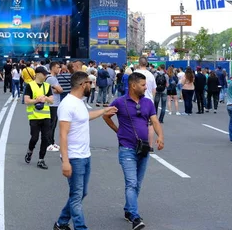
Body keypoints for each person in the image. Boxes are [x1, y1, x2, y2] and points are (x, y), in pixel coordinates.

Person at [53, 71, 117, 230]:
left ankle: (61, 223)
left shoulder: (79, 102)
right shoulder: (67, 105)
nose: (92, 85)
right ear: (83, 85)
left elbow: (85, 117)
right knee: (76, 196)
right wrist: (66, 162)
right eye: (90, 82)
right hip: (74, 158)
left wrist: (104, 111)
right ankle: (80, 227)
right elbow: (63, 134)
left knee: (81, 193)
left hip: (84, 155)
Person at [104, 72, 164, 230]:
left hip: (143, 148)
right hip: (127, 148)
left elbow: (155, 121)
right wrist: (117, 131)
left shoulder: (148, 103)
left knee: (137, 184)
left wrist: (160, 136)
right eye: (143, 85)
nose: (146, 88)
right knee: (131, 183)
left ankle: (128, 210)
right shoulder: (120, 102)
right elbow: (106, 116)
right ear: (133, 85)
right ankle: (135, 218)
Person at [24, 66, 54, 170]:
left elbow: (52, 100)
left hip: (46, 116)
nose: (45, 76)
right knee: (34, 138)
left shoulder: (47, 86)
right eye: (44, 74)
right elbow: (26, 101)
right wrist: (36, 100)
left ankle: (41, 160)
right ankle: (30, 151)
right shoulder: (30, 86)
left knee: (45, 138)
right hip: (34, 116)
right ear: (37, 74)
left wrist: (45, 98)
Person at [46, 61, 64, 152]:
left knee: (53, 125)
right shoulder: (51, 78)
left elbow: (59, 89)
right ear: (52, 68)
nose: (59, 69)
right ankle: (48, 143)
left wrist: (58, 90)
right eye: (57, 67)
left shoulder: (54, 78)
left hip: (55, 103)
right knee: (51, 125)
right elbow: (60, 90)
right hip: (52, 104)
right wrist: (58, 90)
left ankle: (52, 142)